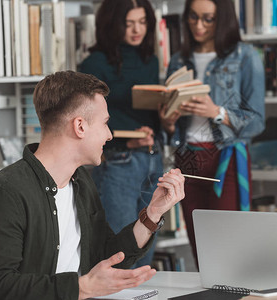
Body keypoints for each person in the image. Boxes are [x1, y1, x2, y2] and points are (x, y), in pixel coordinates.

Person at [0, 71, 185, 300]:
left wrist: (153, 214)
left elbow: (105, 256)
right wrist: (82, 287)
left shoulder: (81, 181)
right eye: (105, 123)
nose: (110, 135)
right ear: (80, 126)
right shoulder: (6, 193)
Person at [160, 0, 265, 265]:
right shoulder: (178, 60)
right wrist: (168, 122)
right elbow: (172, 129)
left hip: (225, 158)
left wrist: (217, 112)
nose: (199, 25)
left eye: (208, 19)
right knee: (200, 246)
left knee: (228, 244)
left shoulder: (245, 56)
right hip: (187, 157)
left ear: (223, 19)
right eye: (193, 18)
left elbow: (257, 121)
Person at [79, 0, 164, 268]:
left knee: (147, 245)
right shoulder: (94, 63)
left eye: (142, 22)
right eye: (129, 24)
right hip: (119, 162)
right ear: (112, 25)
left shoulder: (149, 60)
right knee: (119, 251)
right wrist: (128, 138)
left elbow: (148, 115)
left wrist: (167, 118)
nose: (137, 30)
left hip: (153, 158)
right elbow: (85, 121)